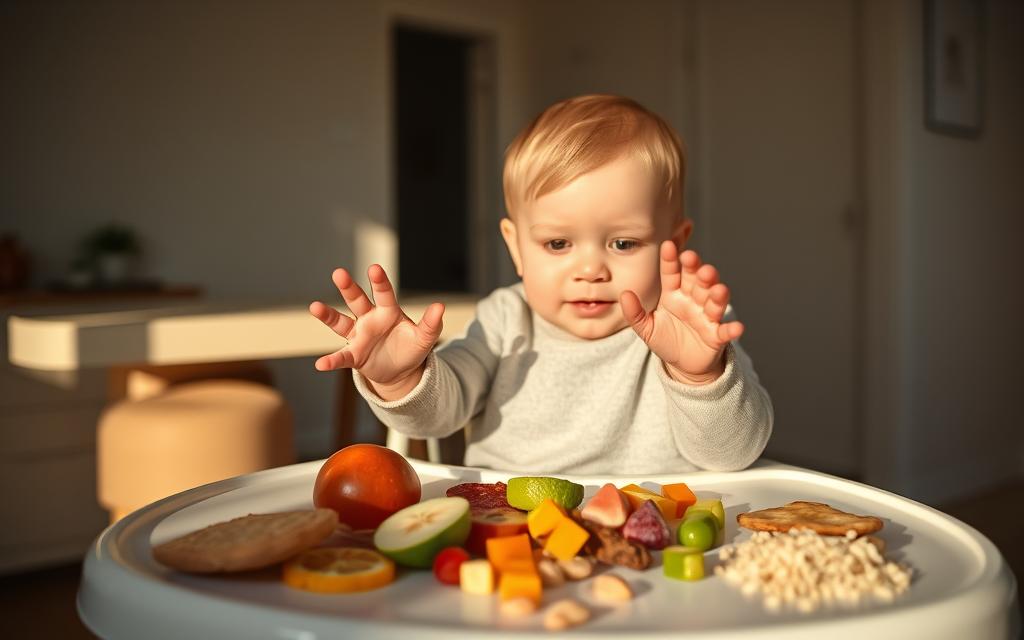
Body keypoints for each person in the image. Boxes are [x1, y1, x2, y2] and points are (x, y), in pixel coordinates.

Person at [309, 94, 772, 474]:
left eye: (624, 243)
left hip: (657, 551)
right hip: (510, 532)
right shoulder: (504, 319)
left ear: (673, 243)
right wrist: (401, 380)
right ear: (515, 247)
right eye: (557, 244)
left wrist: (700, 377)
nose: (590, 270)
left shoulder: (691, 331)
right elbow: (439, 415)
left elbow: (733, 455)